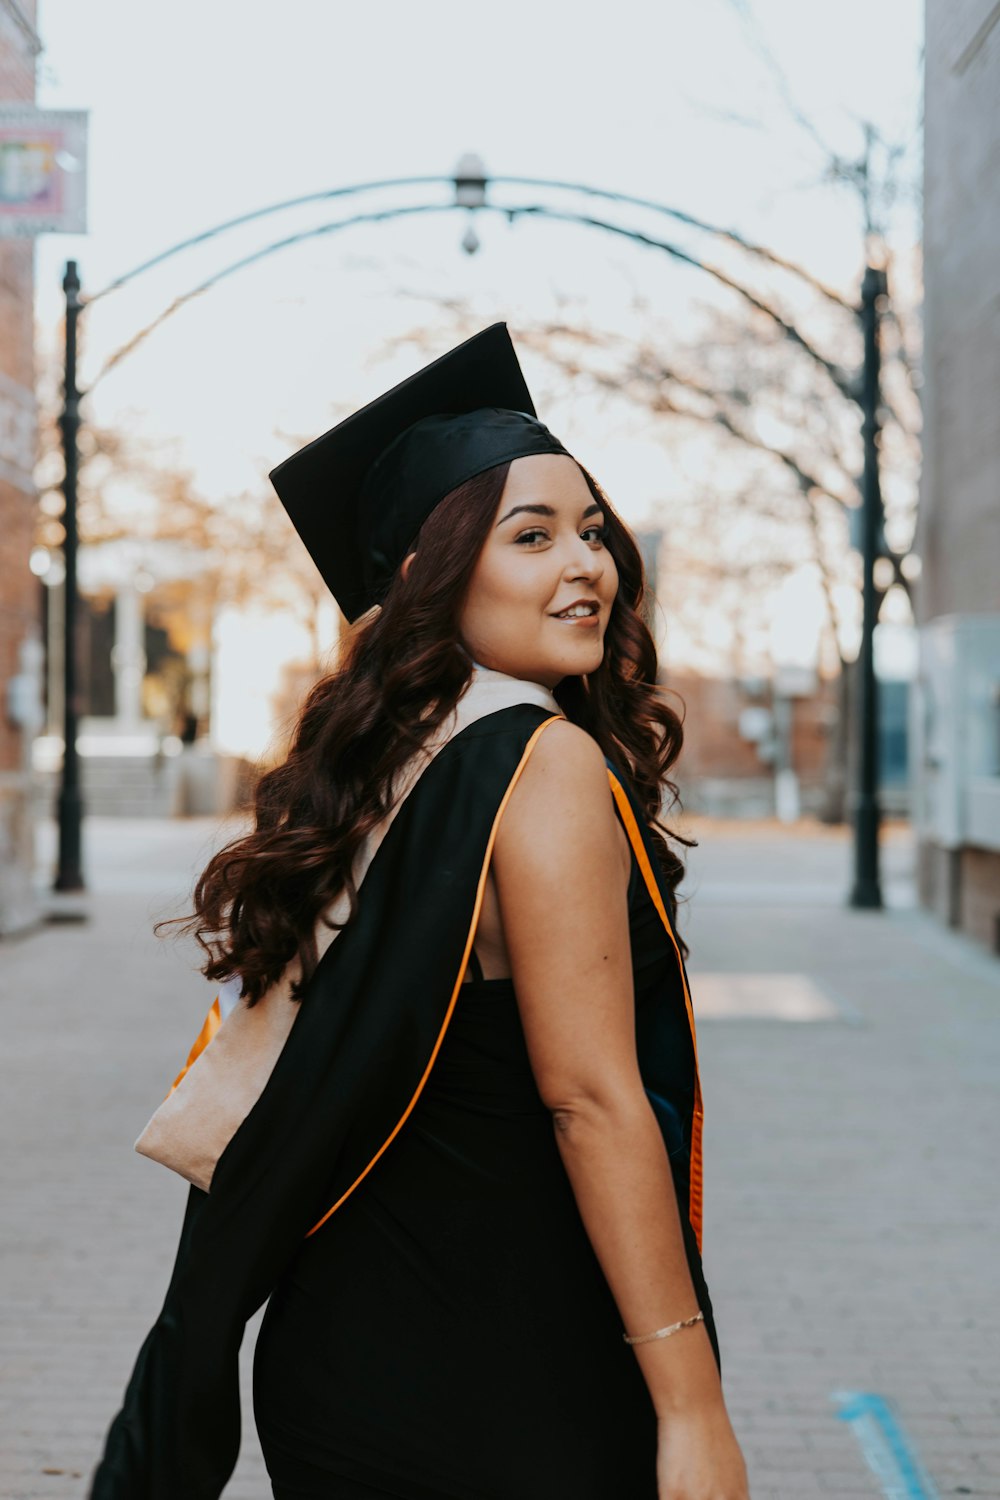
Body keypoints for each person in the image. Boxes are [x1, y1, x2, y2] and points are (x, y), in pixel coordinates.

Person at [88, 323, 750, 1499]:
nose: (585, 564)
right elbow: (588, 1098)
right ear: (429, 575)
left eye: (592, 530)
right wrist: (690, 1406)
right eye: (532, 535)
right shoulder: (538, 764)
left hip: (337, 1356)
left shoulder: (385, 767)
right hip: (501, 1371)